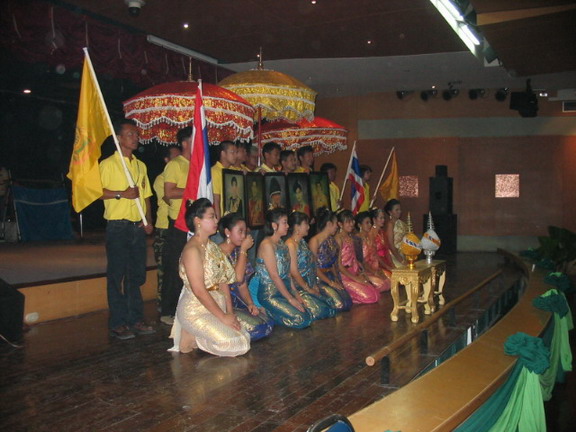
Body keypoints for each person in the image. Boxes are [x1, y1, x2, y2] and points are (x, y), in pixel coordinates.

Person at [168, 198, 250, 356]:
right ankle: (193, 337)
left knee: (245, 337)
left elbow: (223, 282)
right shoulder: (192, 250)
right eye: (211, 217)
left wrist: (229, 313)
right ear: (197, 221)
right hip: (196, 310)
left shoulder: (213, 247)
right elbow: (199, 291)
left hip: (217, 306)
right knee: (236, 344)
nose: (216, 221)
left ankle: (200, 335)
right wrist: (223, 317)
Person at [99, 119, 155, 340]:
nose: (135, 137)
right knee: (116, 276)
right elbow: (96, 192)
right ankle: (118, 322)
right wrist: (121, 194)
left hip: (136, 227)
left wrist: (148, 219)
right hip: (118, 227)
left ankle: (135, 319)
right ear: (119, 138)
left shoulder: (140, 166)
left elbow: (146, 195)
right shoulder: (108, 164)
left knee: (136, 275)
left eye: (136, 134)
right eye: (130, 134)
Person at [218, 213, 274, 341]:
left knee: (267, 322)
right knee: (256, 328)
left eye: (245, 231)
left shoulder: (238, 252)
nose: (243, 236)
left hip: (237, 301)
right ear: (227, 232)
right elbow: (236, 278)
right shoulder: (219, 253)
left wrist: (250, 303)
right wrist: (243, 249)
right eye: (240, 231)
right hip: (222, 304)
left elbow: (242, 284)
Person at [255, 208, 312, 328]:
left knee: (309, 313)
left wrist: (295, 294)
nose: (288, 226)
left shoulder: (281, 243)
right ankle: (266, 312)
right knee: (301, 319)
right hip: (270, 293)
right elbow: (274, 276)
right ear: (274, 225)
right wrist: (290, 299)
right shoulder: (267, 245)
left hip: (284, 290)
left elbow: (287, 274)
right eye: (284, 223)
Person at [160, 127, 192, 326]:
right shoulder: (175, 165)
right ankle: (168, 310)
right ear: (185, 143)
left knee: (191, 268)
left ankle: (186, 308)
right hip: (178, 223)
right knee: (174, 267)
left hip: (194, 223)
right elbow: (169, 192)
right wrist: (191, 189)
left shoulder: (197, 165)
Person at [286, 211, 337, 320]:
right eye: (306, 224)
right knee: (322, 311)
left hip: (309, 284)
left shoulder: (302, 242)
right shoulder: (290, 244)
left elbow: (312, 265)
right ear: (297, 227)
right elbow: (294, 272)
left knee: (331, 305)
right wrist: (307, 288)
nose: (309, 227)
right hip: (298, 287)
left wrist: (313, 285)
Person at [153, 144, 182, 304]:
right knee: (164, 267)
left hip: (176, 225)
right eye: (175, 157)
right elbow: (169, 199)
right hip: (164, 226)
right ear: (167, 160)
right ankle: (162, 303)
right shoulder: (161, 179)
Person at [309, 208, 353, 312]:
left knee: (347, 302)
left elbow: (333, 263)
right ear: (329, 224)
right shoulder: (314, 241)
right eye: (335, 223)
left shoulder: (332, 241)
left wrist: (336, 279)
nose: (337, 226)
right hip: (319, 278)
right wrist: (330, 283)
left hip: (330, 276)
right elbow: (313, 267)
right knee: (339, 304)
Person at [335, 210, 380, 304]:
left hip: (354, 272)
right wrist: (355, 279)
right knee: (371, 297)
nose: (351, 224)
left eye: (352, 221)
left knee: (376, 294)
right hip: (345, 276)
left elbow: (355, 259)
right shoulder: (338, 239)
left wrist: (361, 273)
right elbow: (339, 265)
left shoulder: (350, 238)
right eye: (348, 222)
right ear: (340, 224)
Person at [356, 211, 390, 291]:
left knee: (391, 281)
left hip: (374, 267)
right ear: (359, 225)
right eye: (367, 223)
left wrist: (380, 269)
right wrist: (373, 272)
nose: (370, 225)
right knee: (382, 285)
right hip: (363, 270)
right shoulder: (357, 239)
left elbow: (375, 255)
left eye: (370, 223)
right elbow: (360, 261)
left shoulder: (370, 237)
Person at [211, 140, 237, 220]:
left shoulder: (235, 170)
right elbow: (216, 199)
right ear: (223, 153)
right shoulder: (215, 171)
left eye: (236, 152)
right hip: (223, 217)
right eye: (232, 152)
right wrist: (219, 221)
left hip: (234, 216)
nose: (235, 155)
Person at [384, 199, 408, 267]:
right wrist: (401, 260)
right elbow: (391, 245)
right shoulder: (390, 224)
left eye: (400, 209)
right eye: (397, 210)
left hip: (403, 254)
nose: (399, 211)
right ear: (390, 212)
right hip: (394, 256)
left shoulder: (402, 224)